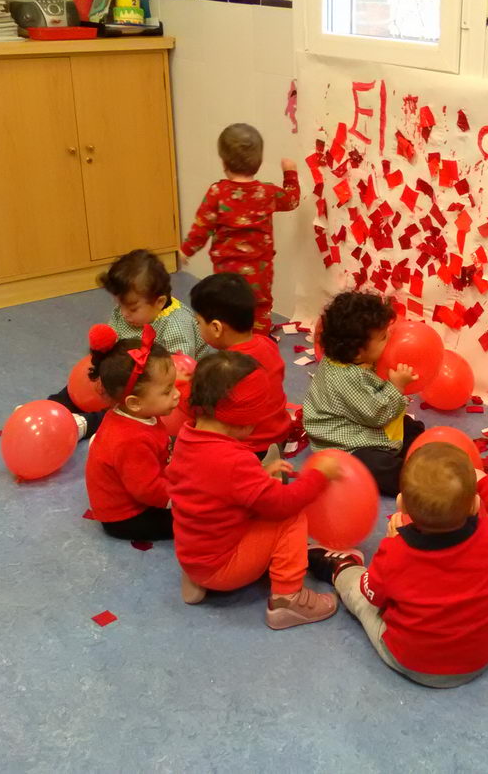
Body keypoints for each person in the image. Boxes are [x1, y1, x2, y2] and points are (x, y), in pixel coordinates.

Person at [308, 443, 488, 688]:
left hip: (410, 661)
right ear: (475, 506)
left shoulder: (395, 552)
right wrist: (485, 481)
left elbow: (373, 595)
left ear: (402, 505)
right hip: (479, 660)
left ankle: (340, 568)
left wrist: (389, 544)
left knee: (358, 591)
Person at [166, 351, 342, 629]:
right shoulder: (235, 461)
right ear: (246, 421)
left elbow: (212, 488)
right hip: (222, 566)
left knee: (256, 503)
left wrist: (258, 475)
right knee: (290, 518)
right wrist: (319, 477)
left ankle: (197, 580)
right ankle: (288, 599)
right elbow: (283, 504)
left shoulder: (187, 437)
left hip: (192, 556)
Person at [46, 249, 207, 440]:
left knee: (132, 407)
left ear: (159, 302)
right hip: (132, 367)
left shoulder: (175, 326)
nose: (124, 313)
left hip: (162, 381)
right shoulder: (125, 314)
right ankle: (54, 407)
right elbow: (114, 343)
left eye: (132, 308)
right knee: (92, 377)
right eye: (119, 305)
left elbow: (173, 372)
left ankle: (89, 423)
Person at [180, 123, 300, 335]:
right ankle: (258, 345)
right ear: (259, 162)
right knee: (260, 307)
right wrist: (290, 172)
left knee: (227, 309)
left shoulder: (217, 192)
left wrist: (186, 251)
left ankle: (231, 352)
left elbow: (202, 227)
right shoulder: (267, 193)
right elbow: (291, 200)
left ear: (224, 162)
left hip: (227, 272)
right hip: (260, 272)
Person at [302, 291, 424, 497]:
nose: (391, 338)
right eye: (384, 337)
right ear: (359, 351)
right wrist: (397, 387)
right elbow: (377, 414)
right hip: (344, 444)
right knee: (376, 466)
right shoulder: (346, 378)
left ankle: (420, 451)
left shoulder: (349, 357)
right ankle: (418, 480)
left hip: (361, 420)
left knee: (410, 429)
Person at [83, 323, 179, 541]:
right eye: (167, 391)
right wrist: (185, 497)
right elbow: (147, 490)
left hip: (143, 490)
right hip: (126, 518)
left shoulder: (137, 414)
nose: (176, 394)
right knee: (199, 518)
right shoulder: (131, 440)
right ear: (134, 403)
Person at [189, 273, 291, 460]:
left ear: (216, 328)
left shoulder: (227, 368)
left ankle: (263, 470)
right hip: (279, 435)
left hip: (249, 447)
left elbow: (201, 410)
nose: (197, 326)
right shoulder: (266, 343)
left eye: (198, 322)